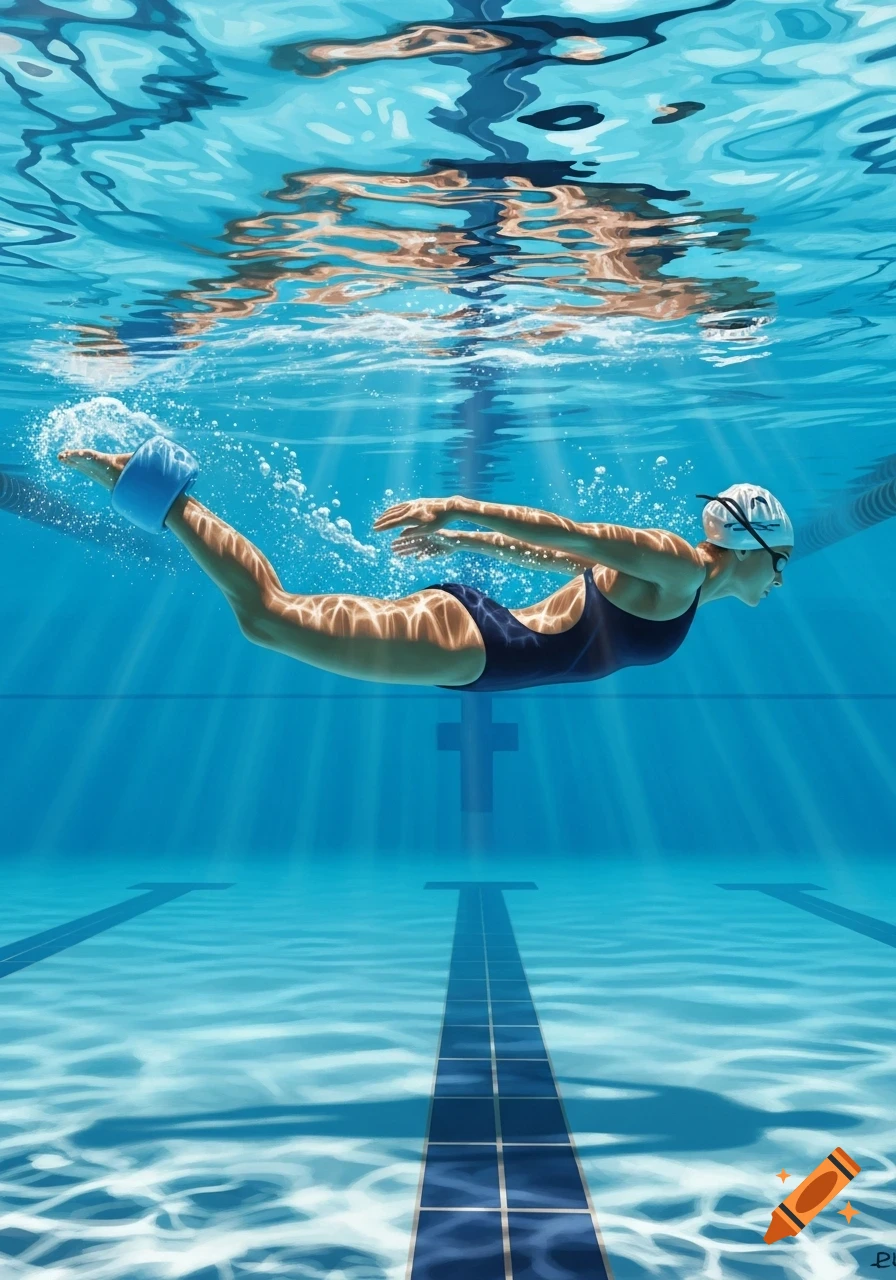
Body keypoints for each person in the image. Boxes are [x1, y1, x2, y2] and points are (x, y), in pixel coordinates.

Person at [58, 441, 793, 692]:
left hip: (482, 636)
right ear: (753, 547)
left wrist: (468, 545)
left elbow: (557, 558)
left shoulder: (685, 587)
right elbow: (576, 533)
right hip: (478, 644)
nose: (780, 580)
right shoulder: (677, 566)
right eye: (780, 564)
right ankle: (151, 484)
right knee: (268, 616)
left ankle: (157, 486)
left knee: (267, 620)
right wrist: (456, 507)